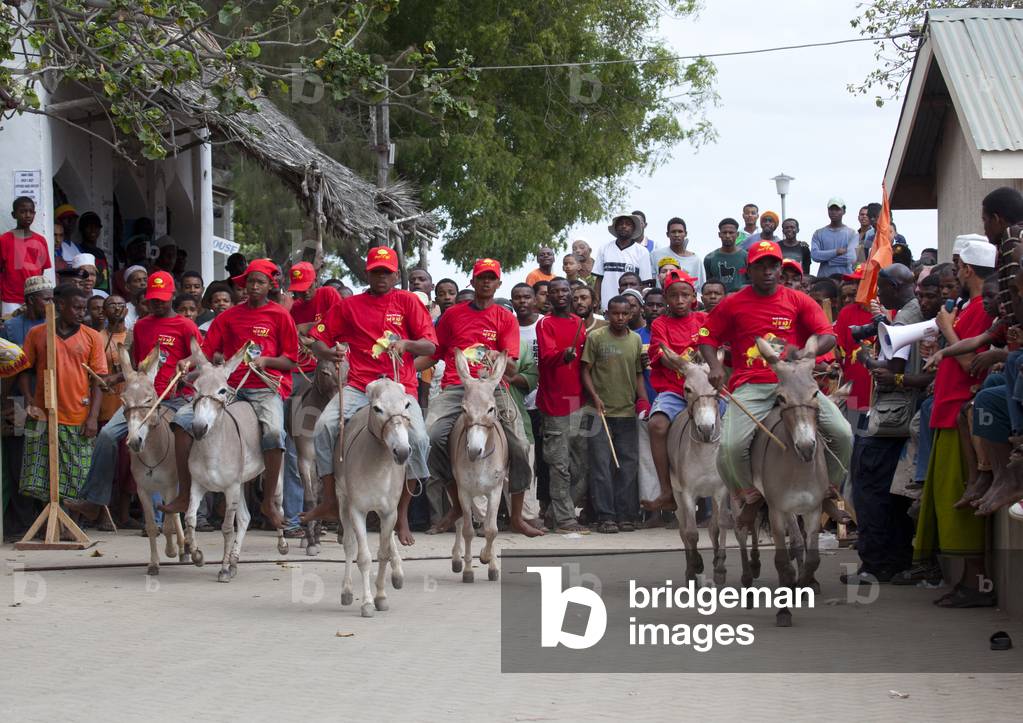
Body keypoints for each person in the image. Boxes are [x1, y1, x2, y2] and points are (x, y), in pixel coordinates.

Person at [698, 240, 853, 527]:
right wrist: (716, 366)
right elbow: (706, 337)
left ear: (780, 269)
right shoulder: (733, 302)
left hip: (797, 384)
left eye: (773, 265)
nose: (768, 271)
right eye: (761, 266)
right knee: (730, 447)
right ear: (749, 270)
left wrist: (810, 351)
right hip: (752, 384)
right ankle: (750, 495)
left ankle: (828, 490)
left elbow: (827, 335)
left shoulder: (798, 300)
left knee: (843, 433)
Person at [298, 248, 436, 544]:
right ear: (367, 274)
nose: (381, 277)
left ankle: (402, 513)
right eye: (376, 271)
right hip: (361, 386)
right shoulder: (349, 306)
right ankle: (330, 499)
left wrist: (407, 344)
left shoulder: (409, 302)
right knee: (323, 427)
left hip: (400, 388)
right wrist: (331, 352)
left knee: (421, 440)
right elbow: (318, 342)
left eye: (387, 272)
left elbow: (430, 346)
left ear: (396, 274)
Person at [162, 260, 298, 529]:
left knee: (273, 433)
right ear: (243, 285)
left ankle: (269, 500)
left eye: (260, 282)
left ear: (271, 285)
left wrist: (267, 362)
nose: (254, 287)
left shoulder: (280, 315)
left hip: (265, 388)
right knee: (182, 420)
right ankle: (185, 492)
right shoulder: (228, 317)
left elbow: (291, 361)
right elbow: (207, 348)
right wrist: (187, 362)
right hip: (228, 388)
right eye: (250, 282)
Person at [418, 258, 544, 537]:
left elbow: (510, 366)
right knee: (429, 435)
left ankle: (516, 517)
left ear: (498, 283)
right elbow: (434, 354)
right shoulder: (452, 315)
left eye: (491, 278)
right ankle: (456, 505)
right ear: (472, 282)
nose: (486, 282)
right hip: (456, 388)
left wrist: (497, 357)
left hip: (492, 389)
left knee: (521, 444)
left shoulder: (504, 318)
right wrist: (403, 368)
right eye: (481, 277)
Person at [67, 271, 202, 522]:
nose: (157, 303)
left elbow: (200, 357)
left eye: (162, 299)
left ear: (172, 296)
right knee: (107, 435)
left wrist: (187, 362)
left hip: (174, 398)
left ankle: (190, 498)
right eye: (153, 299)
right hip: (141, 400)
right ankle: (94, 500)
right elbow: (139, 367)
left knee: (192, 436)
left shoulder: (186, 325)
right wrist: (115, 378)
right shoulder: (141, 325)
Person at [907, 239, 997, 606]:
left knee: (962, 499)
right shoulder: (968, 307)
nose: (955, 272)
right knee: (948, 500)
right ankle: (966, 581)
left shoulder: (980, 309)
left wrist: (947, 332)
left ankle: (977, 583)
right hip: (946, 411)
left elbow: (970, 364)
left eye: (957, 266)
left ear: (967, 269)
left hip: (960, 412)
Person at [844, 263, 932, 585]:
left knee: (869, 483)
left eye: (881, 288)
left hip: (896, 412)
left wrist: (866, 355)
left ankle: (874, 564)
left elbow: (891, 367)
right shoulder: (912, 311)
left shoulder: (907, 318)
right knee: (890, 492)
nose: (878, 294)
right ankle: (893, 559)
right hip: (905, 411)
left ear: (895, 286)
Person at [18, 284, 106, 502]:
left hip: (78, 415)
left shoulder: (92, 337)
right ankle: (50, 522)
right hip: (42, 414)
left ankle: (70, 524)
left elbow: (98, 381)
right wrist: (29, 401)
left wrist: (93, 417)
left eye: (83, 308)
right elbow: (23, 370)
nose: (81, 313)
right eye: (76, 307)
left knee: (78, 478)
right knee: (38, 478)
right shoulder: (37, 333)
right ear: (61, 305)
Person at [644, 270, 713, 511]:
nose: (680, 301)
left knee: (732, 420)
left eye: (685, 295)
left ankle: (737, 485)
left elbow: (711, 347)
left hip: (705, 389)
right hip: (674, 390)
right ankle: (666, 490)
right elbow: (660, 355)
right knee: (657, 425)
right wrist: (687, 366)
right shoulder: (660, 324)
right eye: (674, 296)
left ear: (694, 296)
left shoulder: (703, 320)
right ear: (666, 298)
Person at [581, 295, 648, 533]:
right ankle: (605, 516)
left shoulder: (636, 340)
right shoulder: (596, 337)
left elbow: (639, 373)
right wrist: (595, 397)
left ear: (631, 314)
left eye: (624, 313)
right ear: (607, 314)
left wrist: (643, 400)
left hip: (627, 412)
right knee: (600, 466)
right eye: (615, 313)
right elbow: (585, 371)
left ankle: (626, 515)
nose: (620, 317)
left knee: (627, 466)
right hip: (598, 412)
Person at [537, 278, 591, 534]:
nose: (560, 295)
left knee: (581, 464)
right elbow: (547, 358)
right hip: (554, 403)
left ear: (571, 294)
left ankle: (554, 513)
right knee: (559, 464)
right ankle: (565, 519)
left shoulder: (579, 323)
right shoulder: (545, 323)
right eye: (554, 291)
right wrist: (563, 356)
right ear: (548, 296)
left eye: (564, 291)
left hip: (579, 402)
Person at [0, 197, 52, 317]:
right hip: (10, 299)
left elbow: (41, 270)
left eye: (31, 211)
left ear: (34, 214)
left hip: (35, 298)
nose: (27, 215)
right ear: (14, 214)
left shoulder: (40, 240)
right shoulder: (4, 240)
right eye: (22, 211)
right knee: (10, 331)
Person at [593, 213, 653, 310]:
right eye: (620, 224)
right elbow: (599, 279)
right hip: (607, 308)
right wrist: (596, 302)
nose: (624, 226)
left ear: (633, 228)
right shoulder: (604, 249)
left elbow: (644, 284)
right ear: (615, 227)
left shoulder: (642, 252)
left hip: (631, 309)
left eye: (628, 224)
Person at [650, 217, 704, 288]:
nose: (677, 235)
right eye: (673, 232)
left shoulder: (695, 260)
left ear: (686, 234)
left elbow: (700, 286)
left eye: (680, 231)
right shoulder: (656, 255)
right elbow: (651, 281)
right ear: (667, 234)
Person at [810, 198, 857, 277]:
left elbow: (851, 257)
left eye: (837, 209)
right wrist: (836, 252)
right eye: (831, 209)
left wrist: (827, 260)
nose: (834, 212)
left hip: (845, 280)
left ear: (844, 211)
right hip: (824, 280)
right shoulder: (818, 233)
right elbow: (815, 255)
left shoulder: (852, 234)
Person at [703, 218, 747, 294]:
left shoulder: (746, 256)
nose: (727, 235)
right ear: (719, 235)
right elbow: (708, 284)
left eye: (731, 232)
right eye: (724, 232)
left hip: (741, 301)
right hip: (719, 303)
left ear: (737, 234)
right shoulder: (709, 258)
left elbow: (752, 282)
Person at [76, 212, 110, 293]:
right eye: (89, 226)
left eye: (96, 227)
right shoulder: (78, 250)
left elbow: (105, 279)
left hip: (103, 294)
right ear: (82, 229)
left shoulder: (100, 252)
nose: (93, 230)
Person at [54, 204, 81, 268]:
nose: (71, 222)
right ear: (58, 221)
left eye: (74, 219)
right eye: (67, 218)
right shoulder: (56, 246)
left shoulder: (78, 248)